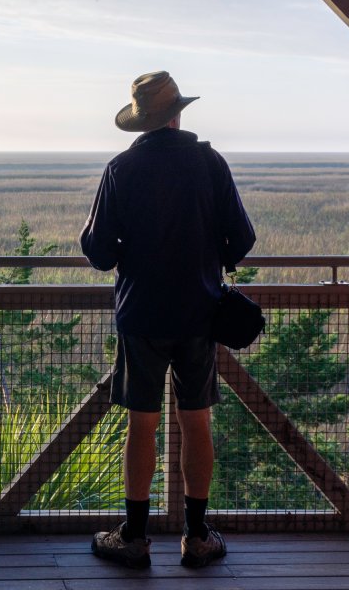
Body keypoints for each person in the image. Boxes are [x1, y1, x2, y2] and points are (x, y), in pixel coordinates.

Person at [81, 70, 255, 569]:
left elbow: (98, 252)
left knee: (142, 422)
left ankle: (133, 538)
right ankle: (197, 537)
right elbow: (240, 242)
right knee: (196, 419)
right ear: (178, 113)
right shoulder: (209, 163)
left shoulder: (121, 169)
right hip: (200, 314)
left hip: (141, 315)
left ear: (141, 122)